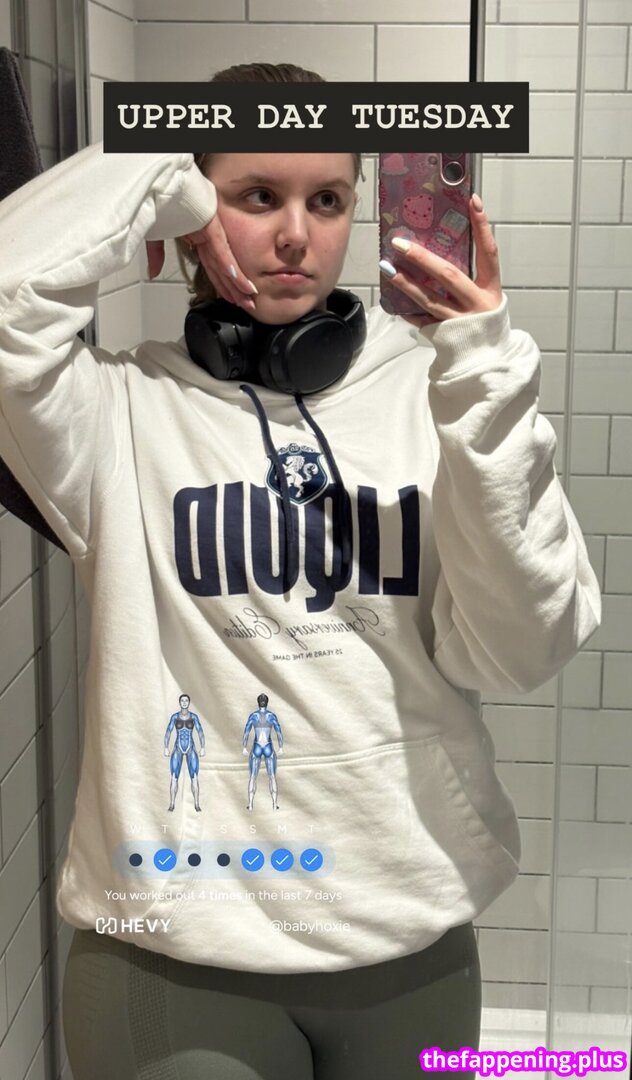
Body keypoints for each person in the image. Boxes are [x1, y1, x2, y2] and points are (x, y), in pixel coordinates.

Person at [0, 61, 601, 1080]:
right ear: (197, 204)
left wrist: (483, 378)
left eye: (326, 200)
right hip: (174, 949)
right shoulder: (113, 415)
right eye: (255, 195)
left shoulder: (441, 392)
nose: (294, 236)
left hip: (405, 935)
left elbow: (522, 649)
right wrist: (160, 168)